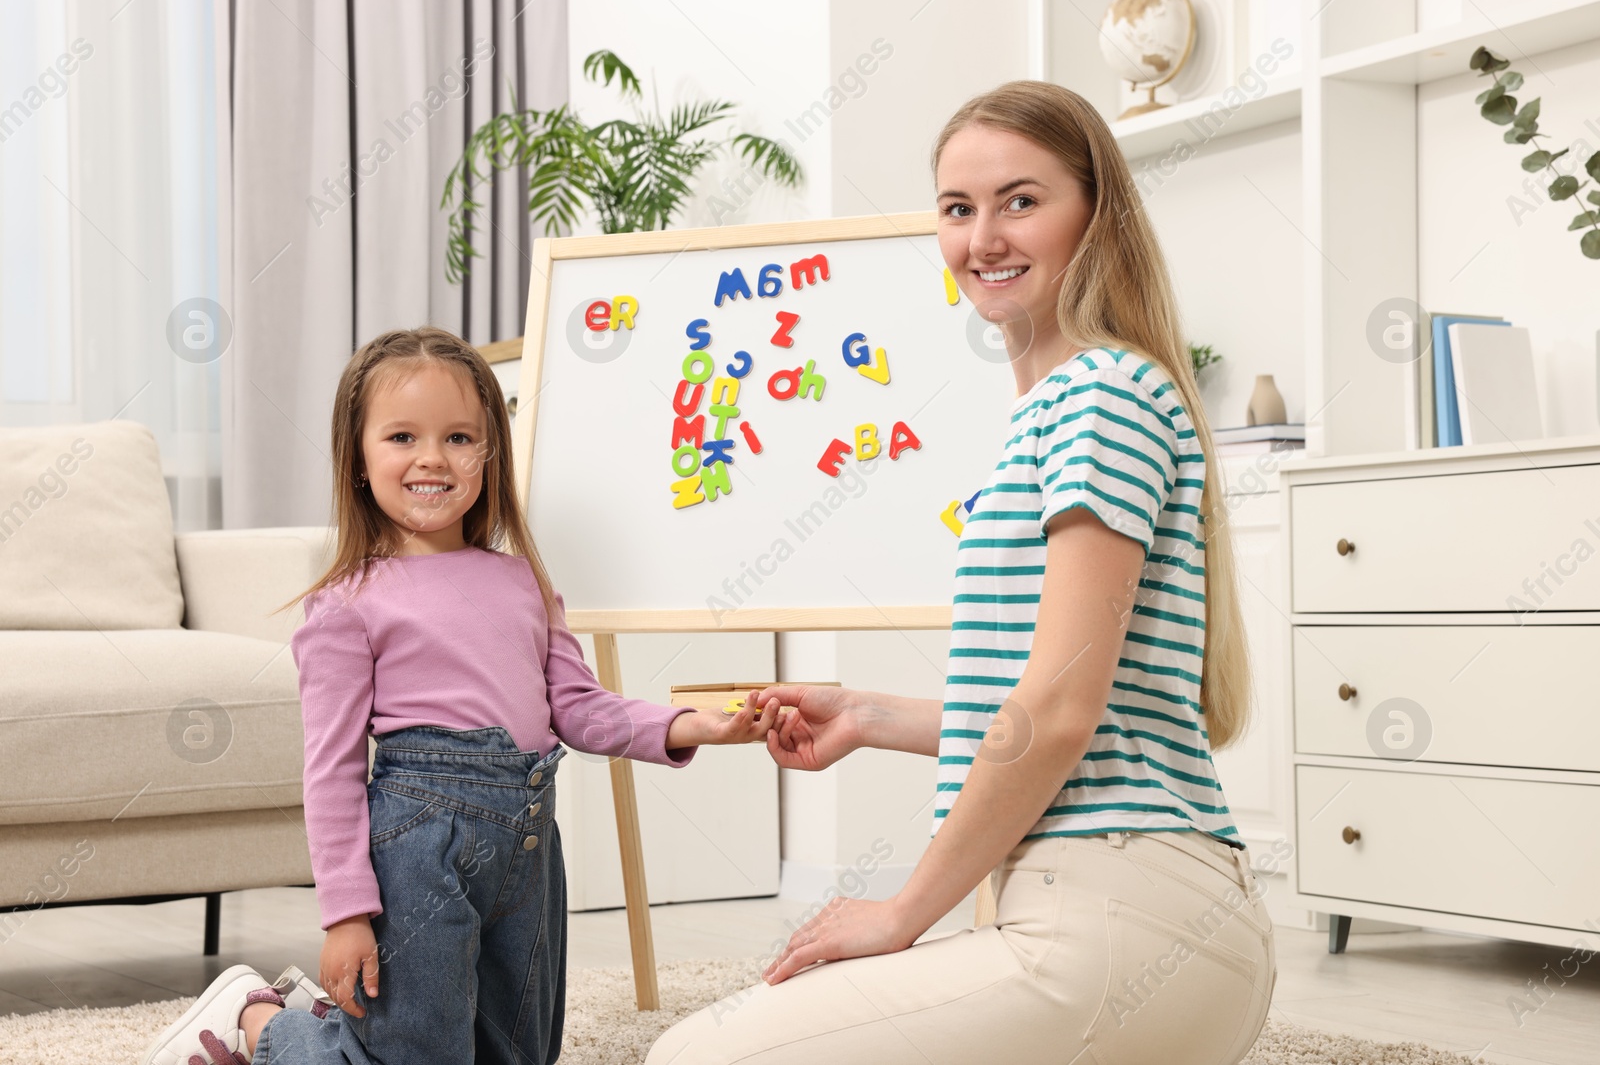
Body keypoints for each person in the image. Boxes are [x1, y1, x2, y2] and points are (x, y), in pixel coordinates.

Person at [647, 80, 1277, 1065]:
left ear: (1096, 214)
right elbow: (1072, 698)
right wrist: (866, 713)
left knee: (699, 1057)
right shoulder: (1063, 405)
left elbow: (1059, 714)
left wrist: (901, 910)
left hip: (1120, 920)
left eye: (1020, 200)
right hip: (1136, 917)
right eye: (957, 208)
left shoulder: (1100, 395)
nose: (983, 236)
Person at [141, 326, 777, 1065]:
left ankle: (330, 1026)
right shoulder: (350, 604)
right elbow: (331, 770)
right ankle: (262, 1025)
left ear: (489, 453)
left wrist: (692, 724)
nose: (432, 458)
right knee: (415, 1057)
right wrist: (346, 911)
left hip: (529, 850)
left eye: (459, 436)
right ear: (359, 458)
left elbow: (579, 706)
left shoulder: (524, 584)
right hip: (418, 852)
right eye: (402, 435)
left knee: (520, 1052)